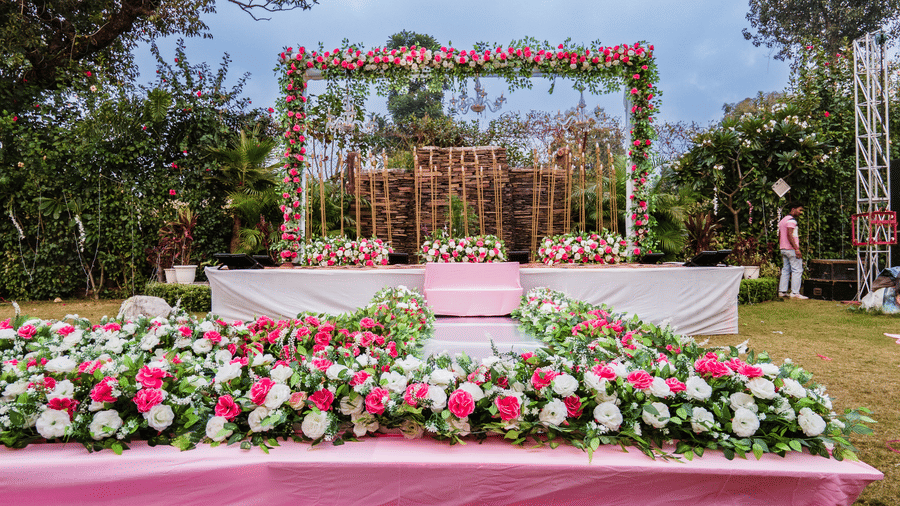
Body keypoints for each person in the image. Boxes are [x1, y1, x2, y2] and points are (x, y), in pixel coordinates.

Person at [778, 202, 808, 299]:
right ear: (793, 209)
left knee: (786, 269)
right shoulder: (792, 221)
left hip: (783, 248)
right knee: (797, 270)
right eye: (799, 210)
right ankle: (795, 293)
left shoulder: (782, 220)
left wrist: (782, 246)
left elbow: (780, 235)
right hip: (791, 249)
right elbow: (789, 235)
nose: (800, 212)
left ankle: (782, 292)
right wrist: (796, 249)